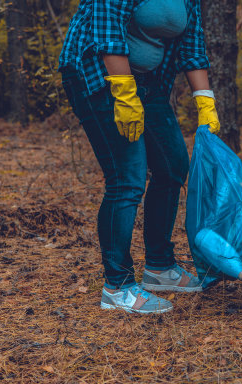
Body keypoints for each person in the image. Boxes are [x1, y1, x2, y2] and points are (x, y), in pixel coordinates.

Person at [58, 0, 220, 314]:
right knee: (126, 178)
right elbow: (107, 31)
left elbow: (192, 46)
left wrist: (205, 101)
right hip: (98, 74)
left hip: (150, 82)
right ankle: (117, 288)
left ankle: (159, 268)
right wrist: (123, 92)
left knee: (173, 165)